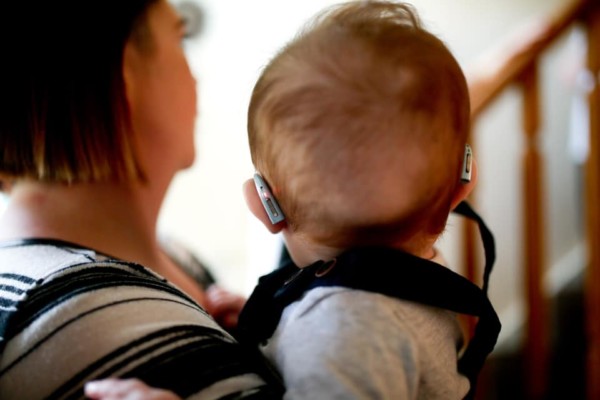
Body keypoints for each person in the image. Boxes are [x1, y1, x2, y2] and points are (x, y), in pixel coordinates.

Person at [85, 1, 501, 399]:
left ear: (264, 205)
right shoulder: (415, 285)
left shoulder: (344, 330)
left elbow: (350, 337)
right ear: (462, 185)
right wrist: (281, 324)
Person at [0, 0, 282, 398]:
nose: (196, 79)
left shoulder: (172, 256)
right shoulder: (74, 314)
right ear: (121, 72)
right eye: (180, 37)